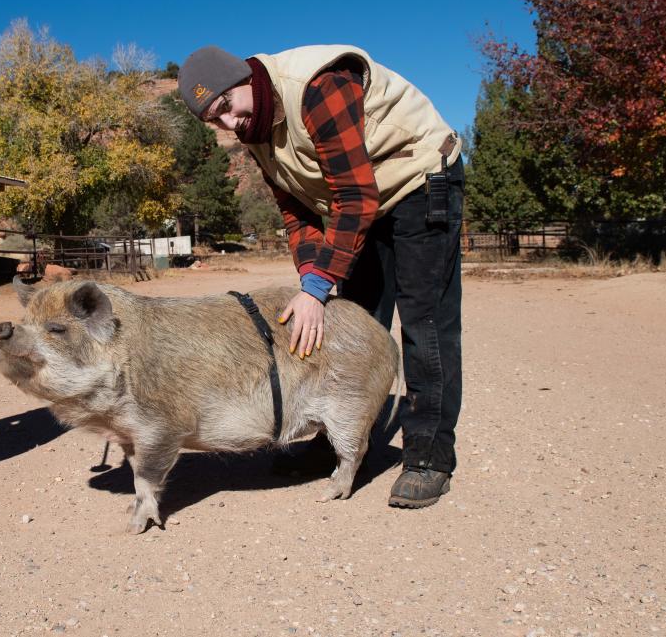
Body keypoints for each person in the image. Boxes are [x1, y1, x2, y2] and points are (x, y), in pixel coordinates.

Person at [178, 45, 464, 509]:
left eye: (227, 108)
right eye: (215, 121)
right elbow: (297, 210)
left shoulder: (316, 87)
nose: (228, 126)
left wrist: (315, 288)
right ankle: (345, 439)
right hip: (362, 201)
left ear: (244, 80)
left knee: (424, 325)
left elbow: (354, 194)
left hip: (418, 180)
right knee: (353, 323)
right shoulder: (254, 128)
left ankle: (428, 457)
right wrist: (312, 276)